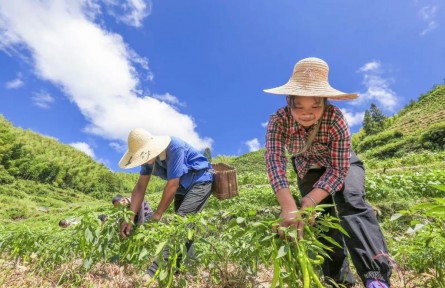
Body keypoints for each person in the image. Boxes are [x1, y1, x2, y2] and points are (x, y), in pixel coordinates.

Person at [264, 57, 392, 288]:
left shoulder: (335, 118)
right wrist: (289, 206)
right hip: (307, 168)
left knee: (351, 200)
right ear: (288, 102)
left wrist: (309, 200)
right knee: (321, 219)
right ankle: (338, 281)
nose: (306, 113)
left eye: (315, 106)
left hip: (342, 164)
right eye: (298, 106)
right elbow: (275, 161)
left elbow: (338, 169)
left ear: (325, 103)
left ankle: (375, 275)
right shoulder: (278, 121)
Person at [118, 128, 214, 277]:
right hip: (182, 189)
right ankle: (183, 270)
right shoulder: (147, 160)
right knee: (186, 228)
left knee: (180, 222)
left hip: (200, 182)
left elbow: (172, 184)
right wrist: (130, 218)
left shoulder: (175, 147)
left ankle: (153, 273)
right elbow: (140, 187)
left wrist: (158, 214)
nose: (144, 160)